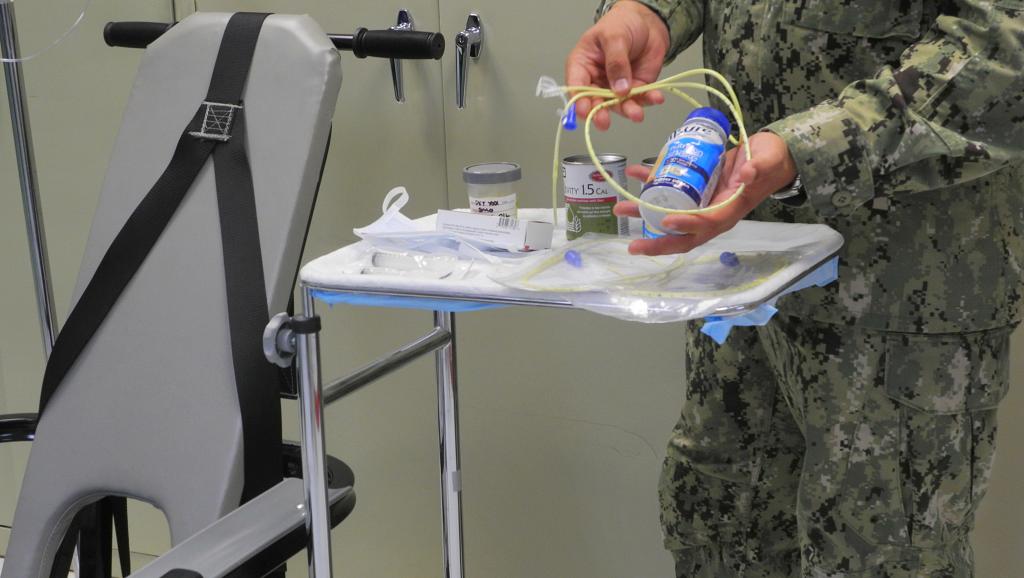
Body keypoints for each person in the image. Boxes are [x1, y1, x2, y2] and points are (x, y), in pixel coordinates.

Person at [566, 1, 1024, 576]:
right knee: (723, 524)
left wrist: (802, 151)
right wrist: (649, 13)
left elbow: (1005, 48)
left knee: (878, 554)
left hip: (899, 293)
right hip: (745, 270)